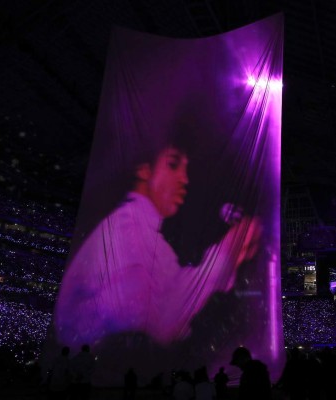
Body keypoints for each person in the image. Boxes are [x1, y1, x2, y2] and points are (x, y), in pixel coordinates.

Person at [53, 129, 263, 350]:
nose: (185, 179)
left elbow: (168, 302)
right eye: (173, 165)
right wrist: (226, 252)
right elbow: (160, 323)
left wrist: (228, 254)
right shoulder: (128, 228)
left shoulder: (139, 230)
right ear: (144, 169)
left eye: (186, 168)